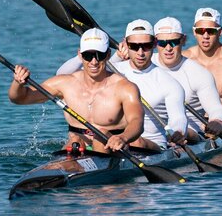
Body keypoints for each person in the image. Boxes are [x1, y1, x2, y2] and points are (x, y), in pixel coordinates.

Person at [57, 20, 187, 152]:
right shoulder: (111, 68)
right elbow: (63, 75)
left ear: (154, 44)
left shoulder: (169, 83)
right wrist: (87, 52)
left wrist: (178, 132)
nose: (140, 52)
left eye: (146, 46)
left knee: (136, 141)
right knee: (77, 139)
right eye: (134, 46)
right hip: (110, 141)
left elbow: (178, 117)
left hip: (147, 145)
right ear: (125, 44)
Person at [10, 28, 144, 154]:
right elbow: (20, 98)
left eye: (99, 55)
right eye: (88, 55)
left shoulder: (125, 87)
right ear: (80, 55)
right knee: (75, 141)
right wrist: (18, 83)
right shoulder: (64, 83)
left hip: (113, 148)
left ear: (108, 55)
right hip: (78, 146)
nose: (94, 62)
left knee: (99, 137)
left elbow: (137, 121)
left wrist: (123, 138)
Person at [131, 17, 222, 143]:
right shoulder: (141, 62)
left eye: (174, 42)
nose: (168, 48)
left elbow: (215, 108)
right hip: (149, 134)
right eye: (162, 43)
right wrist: (118, 55)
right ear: (154, 43)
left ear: (183, 40)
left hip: (190, 135)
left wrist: (217, 121)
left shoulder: (199, 73)